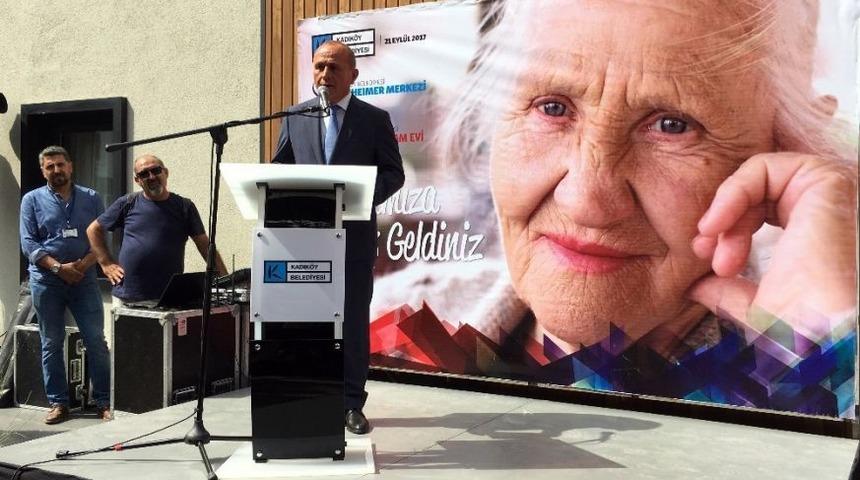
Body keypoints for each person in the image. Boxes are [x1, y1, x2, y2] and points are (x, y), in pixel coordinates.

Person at [371, 0, 857, 415]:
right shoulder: (387, 323)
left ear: (789, 146)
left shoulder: (818, 366)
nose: (586, 201)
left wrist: (826, 363)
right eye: (552, 107)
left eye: (672, 125)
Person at [271, 40, 405, 434]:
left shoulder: (373, 119)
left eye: (333, 68)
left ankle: (350, 404)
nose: (324, 75)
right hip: (307, 239)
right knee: (310, 322)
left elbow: (393, 174)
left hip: (354, 238)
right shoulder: (296, 116)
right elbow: (282, 169)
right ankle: (314, 397)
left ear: (353, 76)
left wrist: (358, 200)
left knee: (350, 321)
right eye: (318, 67)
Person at [19, 146, 112, 424]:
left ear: (70, 166)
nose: (56, 170)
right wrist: (59, 268)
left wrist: (81, 266)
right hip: (47, 281)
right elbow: (29, 243)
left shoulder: (92, 198)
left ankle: (104, 401)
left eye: (60, 165)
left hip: (83, 280)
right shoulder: (31, 200)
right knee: (51, 343)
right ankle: (59, 404)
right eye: (50, 166)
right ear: (43, 170)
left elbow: (101, 238)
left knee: (95, 340)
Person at [86, 154, 227, 303]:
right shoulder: (127, 203)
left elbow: (205, 246)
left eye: (156, 170)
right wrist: (106, 263)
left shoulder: (185, 207)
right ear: (138, 180)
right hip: (129, 295)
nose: (151, 177)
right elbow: (93, 230)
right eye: (144, 174)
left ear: (166, 173)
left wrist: (225, 280)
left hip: (169, 295)